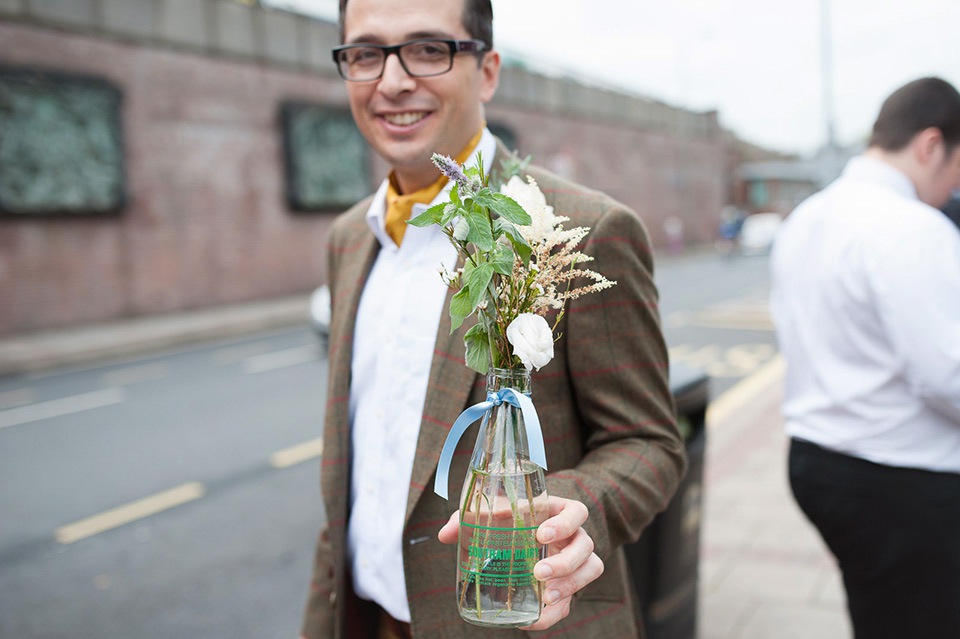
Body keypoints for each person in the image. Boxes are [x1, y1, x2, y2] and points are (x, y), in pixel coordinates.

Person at [299, 1, 687, 637]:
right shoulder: (348, 239)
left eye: (428, 49)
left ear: (487, 71)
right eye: (366, 53)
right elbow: (356, 469)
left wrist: (572, 516)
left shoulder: (582, 229)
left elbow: (649, 443)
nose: (392, 82)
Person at [770, 77, 960, 639]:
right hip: (902, 478)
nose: (954, 186)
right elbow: (947, 375)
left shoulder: (808, 216)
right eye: (956, 166)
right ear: (930, 144)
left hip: (818, 462)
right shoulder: (914, 229)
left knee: (880, 611)